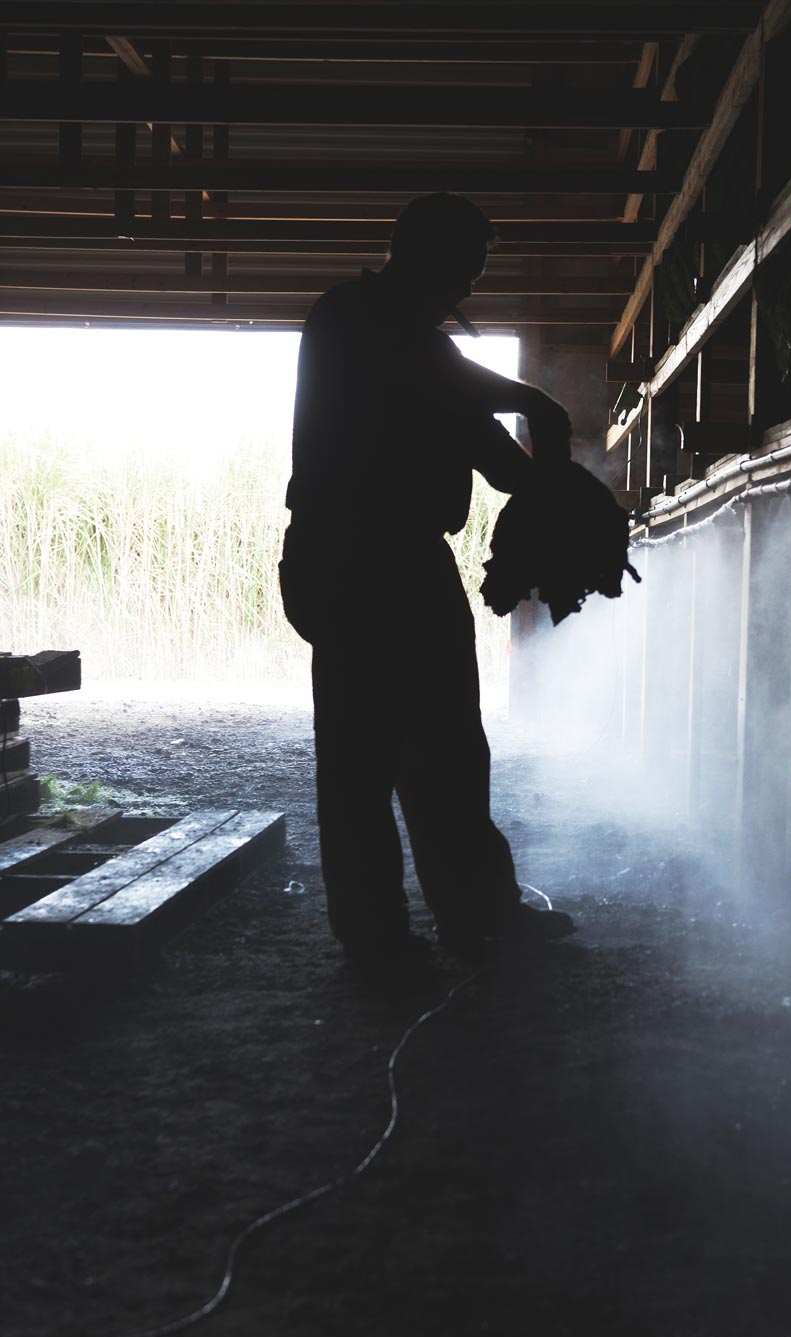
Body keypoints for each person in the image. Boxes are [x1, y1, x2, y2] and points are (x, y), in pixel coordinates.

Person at [280, 192, 575, 968]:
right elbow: (502, 412)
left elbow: (505, 464)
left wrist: (559, 501)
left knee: (445, 749)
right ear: (419, 255)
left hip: (399, 559)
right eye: (462, 272)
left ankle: (470, 913)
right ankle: (382, 938)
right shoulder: (354, 319)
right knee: (364, 759)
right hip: (355, 560)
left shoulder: (421, 355)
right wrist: (536, 406)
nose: (467, 290)